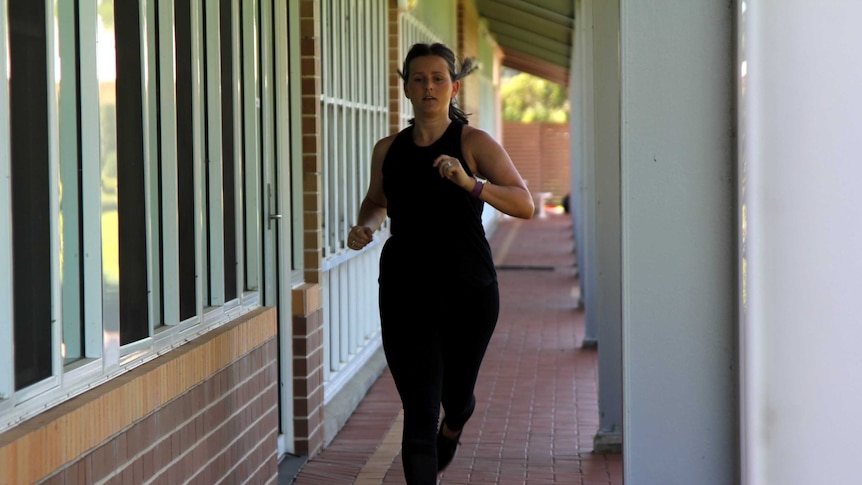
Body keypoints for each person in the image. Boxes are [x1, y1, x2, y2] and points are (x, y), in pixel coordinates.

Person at [347, 42, 534, 484]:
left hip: (469, 291)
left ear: (453, 87)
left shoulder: (474, 143)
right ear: (407, 88)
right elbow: (376, 201)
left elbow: (524, 204)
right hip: (405, 290)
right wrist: (366, 226)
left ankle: (457, 419)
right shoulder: (388, 149)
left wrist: (471, 184)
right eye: (418, 79)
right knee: (419, 411)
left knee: (455, 395)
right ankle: (435, 436)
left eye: (437, 79)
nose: (428, 86)